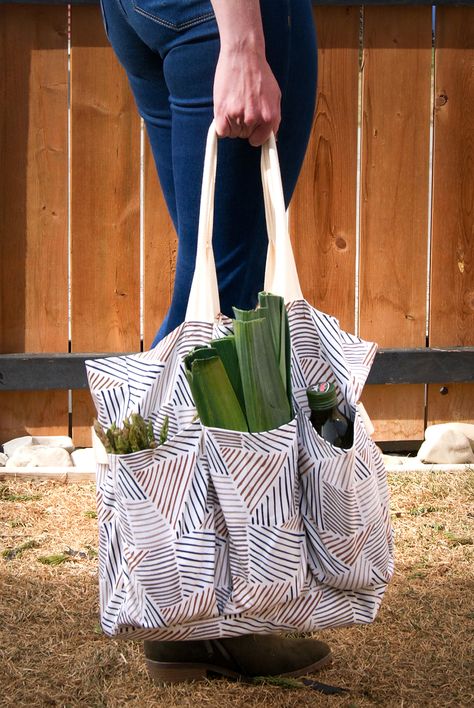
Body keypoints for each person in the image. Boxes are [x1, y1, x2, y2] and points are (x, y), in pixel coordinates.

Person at [98, 0, 330, 683]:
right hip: (219, 15)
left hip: (145, 12)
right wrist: (243, 40)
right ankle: (203, 610)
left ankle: (187, 604)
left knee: (208, 296)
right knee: (228, 306)